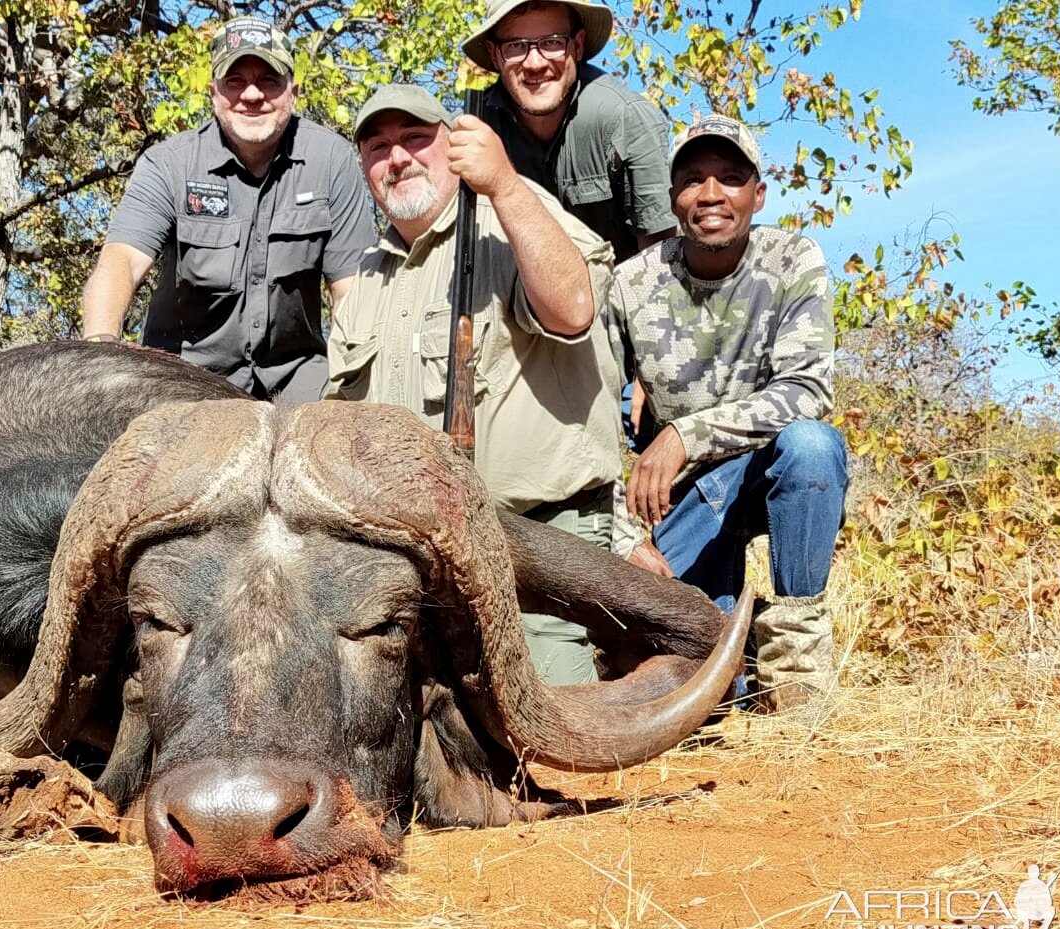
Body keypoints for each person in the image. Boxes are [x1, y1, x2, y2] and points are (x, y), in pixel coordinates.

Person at [326, 84, 618, 685]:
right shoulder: (366, 283)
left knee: (542, 745)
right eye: (378, 146)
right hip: (413, 559)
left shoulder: (512, 211)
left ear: (454, 144)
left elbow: (572, 308)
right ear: (364, 167)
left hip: (536, 540)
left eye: (415, 138)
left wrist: (505, 184)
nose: (397, 157)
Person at [609, 114, 849, 711]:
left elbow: (807, 391)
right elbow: (583, 421)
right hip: (684, 498)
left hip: (769, 474)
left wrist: (683, 436)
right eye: (693, 180)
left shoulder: (793, 259)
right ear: (673, 199)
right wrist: (621, 535)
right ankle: (740, 646)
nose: (711, 195)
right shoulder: (629, 282)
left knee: (814, 446)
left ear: (757, 195)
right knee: (709, 696)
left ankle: (796, 665)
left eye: (731, 178)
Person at [81, 17, 376, 403]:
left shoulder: (331, 159)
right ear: (213, 93)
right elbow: (120, 263)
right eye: (234, 81)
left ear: (294, 92)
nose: (252, 95)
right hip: (183, 377)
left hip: (298, 377)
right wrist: (102, 350)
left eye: (270, 81)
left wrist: (351, 390)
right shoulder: (168, 164)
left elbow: (351, 292)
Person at [462, 0, 677, 264]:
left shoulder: (624, 118)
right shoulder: (472, 129)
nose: (534, 63)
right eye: (516, 46)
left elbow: (661, 259)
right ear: (494, 54)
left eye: (552, 43)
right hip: (512, 299)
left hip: (618, 298)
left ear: (577, 45)